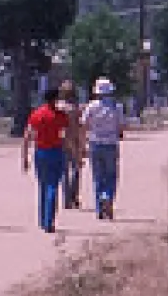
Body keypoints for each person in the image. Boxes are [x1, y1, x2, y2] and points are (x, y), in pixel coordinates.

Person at [23, 88, 69, 233]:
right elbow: (65, 137)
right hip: (56, 151)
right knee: (52, 186)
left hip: (40, 152)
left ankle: (42, 219)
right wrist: (74, 152)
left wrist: (24, 156)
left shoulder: (36, 114)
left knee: (42, 186)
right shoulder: (60, 116)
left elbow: (27, 136)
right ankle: (49, 220)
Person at [80, 79, 126, 220]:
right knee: (111, 175)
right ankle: (108, 197)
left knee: (98, 177)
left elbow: (84, 124)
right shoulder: (117, 106)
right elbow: (121, 125)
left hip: (95, 142)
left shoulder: (91, 106)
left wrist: (84, 142)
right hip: (111, 143)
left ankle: (100, 207)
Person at [56, 81, 86, 210]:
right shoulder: (76, 109)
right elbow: (80, 128)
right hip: (73, 141)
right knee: (76, 169)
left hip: (59, 141)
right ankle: (74, 196)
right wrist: (82, 146)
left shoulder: (57, 107)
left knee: (64, 172)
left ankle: (66, 198)